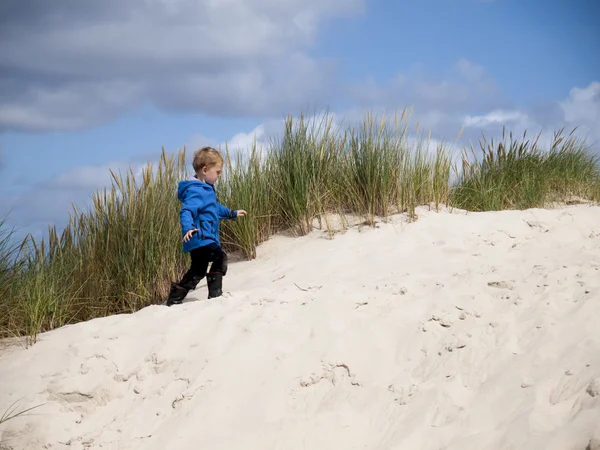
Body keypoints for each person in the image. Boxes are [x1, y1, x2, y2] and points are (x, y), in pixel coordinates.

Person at [166, 146, 247, 306]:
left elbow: (215, 208)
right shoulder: (197, 191)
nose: (219, 175)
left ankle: (175, 298)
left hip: (200, 240)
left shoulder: (206, 190)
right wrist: (188, 228)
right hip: (201, 237)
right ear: (205, 170)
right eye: (217, 172)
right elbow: (187, 211)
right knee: (220, 256)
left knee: (198, 270)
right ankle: (215, 296)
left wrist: (232, 213)